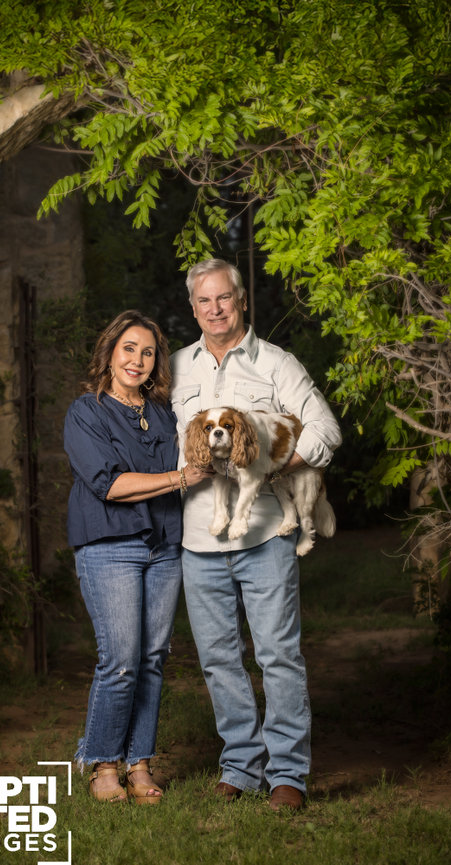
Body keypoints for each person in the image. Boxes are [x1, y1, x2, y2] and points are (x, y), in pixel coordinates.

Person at [171, 260, 341, 811]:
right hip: (198, 539)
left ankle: (288, 773)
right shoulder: (174, 368)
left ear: (241, 301)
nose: (215, 309)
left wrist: (277, 463)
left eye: (224, 298)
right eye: (204, 301)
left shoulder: (276, 363)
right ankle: (241, 765)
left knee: (277, 655)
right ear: (193, 308)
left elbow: (326, 430)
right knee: (219, 658)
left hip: (265, 537)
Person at [64, 309, 211, 805]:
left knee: (152, 659)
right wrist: (181, 478)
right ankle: (103, 762)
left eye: (147, 352)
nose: (138, 359)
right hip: (110, 546)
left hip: (164, 546)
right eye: (129, 348)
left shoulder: (163, 413)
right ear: (109, 352)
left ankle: (139, 762)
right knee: (121, 660)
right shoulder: (86, 411)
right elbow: (108, 484)